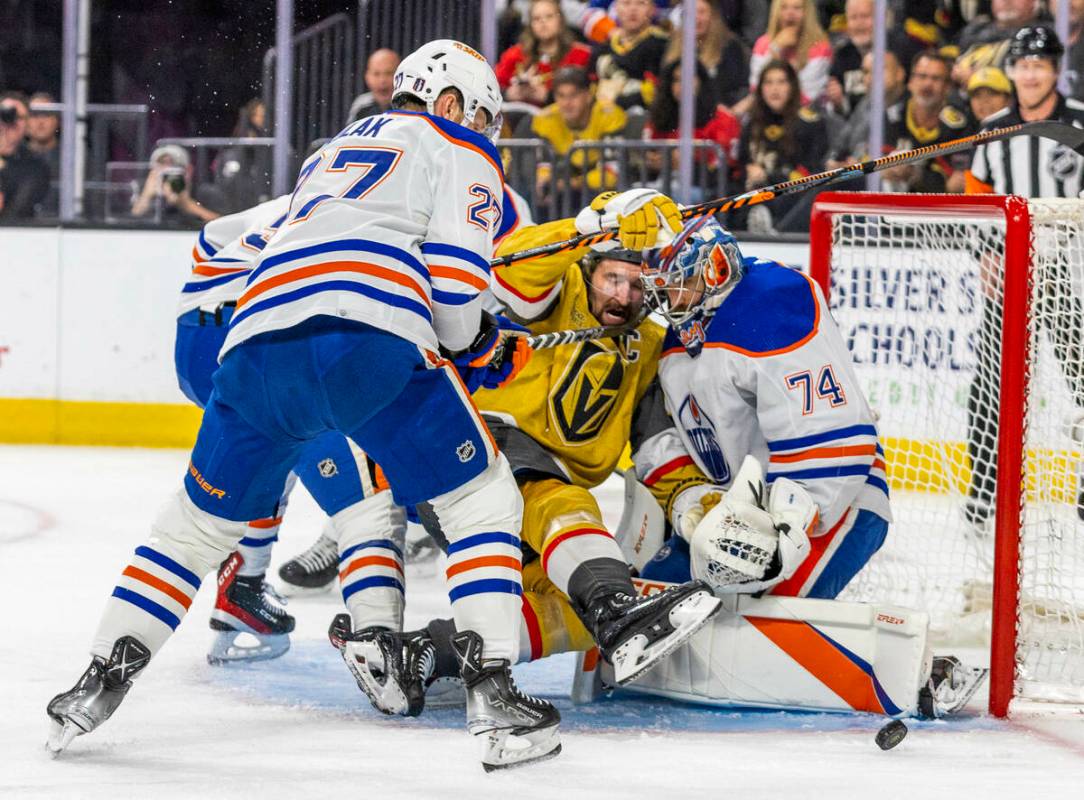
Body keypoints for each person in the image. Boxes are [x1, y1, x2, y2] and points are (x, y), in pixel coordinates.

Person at [46, 39, 560, 772]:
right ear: (449, 104)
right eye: (481, 114)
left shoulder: (331, 153)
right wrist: (485, 345)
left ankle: (96, 681)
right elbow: (451, 299)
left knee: (190, 529)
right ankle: (495, 694)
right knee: (481, 501)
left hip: (253, 348)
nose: (485, 131)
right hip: (364, 340)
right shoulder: (458, 146)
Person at [348, 189, 722, 708]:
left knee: (570, 611)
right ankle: (618, 609)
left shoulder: (652, 346)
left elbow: (656, 445)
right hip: (475, 450)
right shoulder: (558, 289)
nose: (622, 295)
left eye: (637, 285)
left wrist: (691, 506)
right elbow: (509, 270)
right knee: (562, 502)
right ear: (589, 267)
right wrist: (589, 224)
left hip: (534, 509)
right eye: (612, 277)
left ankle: (421, 656)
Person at [964, 25, 1084, 526]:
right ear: (1011, 71)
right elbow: (977, 200)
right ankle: (985, 485)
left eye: (1039, 65)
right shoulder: (993, 128)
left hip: (1070, 273)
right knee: (991, 381)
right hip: (1011, 271)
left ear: (1056, 70)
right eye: (1022, 65)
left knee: (1082, 378)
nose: (1030, 74)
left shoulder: (1078, 124)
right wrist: (988, 256)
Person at [736, 59, 828, 232]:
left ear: (792, 86)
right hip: (754, 193)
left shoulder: (809, 123)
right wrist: (749, 171)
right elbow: (742, 162)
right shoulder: (751, 124)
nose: (774, 89)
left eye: (781, 82)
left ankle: (770, 225)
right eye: (769, 82)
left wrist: (769, 176)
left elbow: (812, 171)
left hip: (790, 195)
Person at [529, 66, 627, 207]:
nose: (566, 103)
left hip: (603, 195)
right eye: (561, 96)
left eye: (573, 95)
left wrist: (573, 184)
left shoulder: (610, 115)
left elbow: (612, 173)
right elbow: (544, 166)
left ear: (588, 95)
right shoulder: (545, 119)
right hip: (563, 188)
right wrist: (543, 181)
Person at [643, 59, 742, 199]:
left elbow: (725, 171)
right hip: (659, 185)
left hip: (707, 191)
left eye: (688, 78)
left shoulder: (722, 119)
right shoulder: (658, 117)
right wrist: (653, 162)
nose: (682, 85)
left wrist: (686, 164)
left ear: (701, 81)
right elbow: (647, 156)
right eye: (676, 80)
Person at [880, 50, 973, 193]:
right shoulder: (893, 117)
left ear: (947, 87)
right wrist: (883, 172)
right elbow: (871, 161)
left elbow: (957, 183)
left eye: (936, 78)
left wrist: (915, 175)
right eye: (922, 76)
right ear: (910, 82)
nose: (927, 84)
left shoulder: (959, 125)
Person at [496, 0, 592, 107]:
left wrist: (548, 96)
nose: (543, 22)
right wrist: (507, 94)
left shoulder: (581, 55)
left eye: (549, 16)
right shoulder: (513, 55)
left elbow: (589, 96)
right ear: (530, 24)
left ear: (560, 19)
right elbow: (491, 89)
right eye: (537, 18)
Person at [661, 0, 749, 110]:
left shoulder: (729, 46)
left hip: (717, 113)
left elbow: (736, 89)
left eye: (702, 12)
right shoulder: (672, 46)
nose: (696, 18)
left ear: (713, 16)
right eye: (691, 12)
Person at [748, 0, 833, 105]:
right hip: (767, 114)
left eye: (797, 8)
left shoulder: (819, 47)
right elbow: (756, 90)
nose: (790, 13)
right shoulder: (762, 44)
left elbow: (808, 96)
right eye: (784, 7)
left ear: (807, 14)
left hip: (808, 115)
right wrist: (775, 49)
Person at [952, 0, 1047, 91]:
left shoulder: (1042, 37)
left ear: (1034, 2)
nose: (1007, 1)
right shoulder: (974, 30)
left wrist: (980, 80)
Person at [591, 0, 670, 109]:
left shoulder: (661, 45)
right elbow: (590, 88)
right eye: (626, 3)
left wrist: (615, 103)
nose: (633, 9)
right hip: (603, 118)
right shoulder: (603, 48)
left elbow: (656, 91)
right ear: (616, 8)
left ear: (652, 9)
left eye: (641, 3)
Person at [131, 144, 220, 226]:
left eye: (173, 166)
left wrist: (186, 203)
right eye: (161, 165)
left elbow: (221, 223)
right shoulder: (143, 189)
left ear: (188, 170)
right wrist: (146, 196)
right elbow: (129, 222)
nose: (166, 170)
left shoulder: (205, 192)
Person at [0, 91, 49, 220]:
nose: (12, 123)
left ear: (27, 124)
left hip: (17, 235)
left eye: (19, 118)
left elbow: (18, 210)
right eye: (6, 115)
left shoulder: (36, 166)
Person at [347, 48, 400, 122]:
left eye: (389, 73)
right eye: (376, 74)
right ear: (367, 77)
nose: (382, 80)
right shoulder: (361, 106)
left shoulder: (410, 107)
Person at [27, 91, 59, 180]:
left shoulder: (73, 157)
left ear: (57, 120)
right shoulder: (14, 157)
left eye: (46, 114)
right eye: (34, 115)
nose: (40, 121)